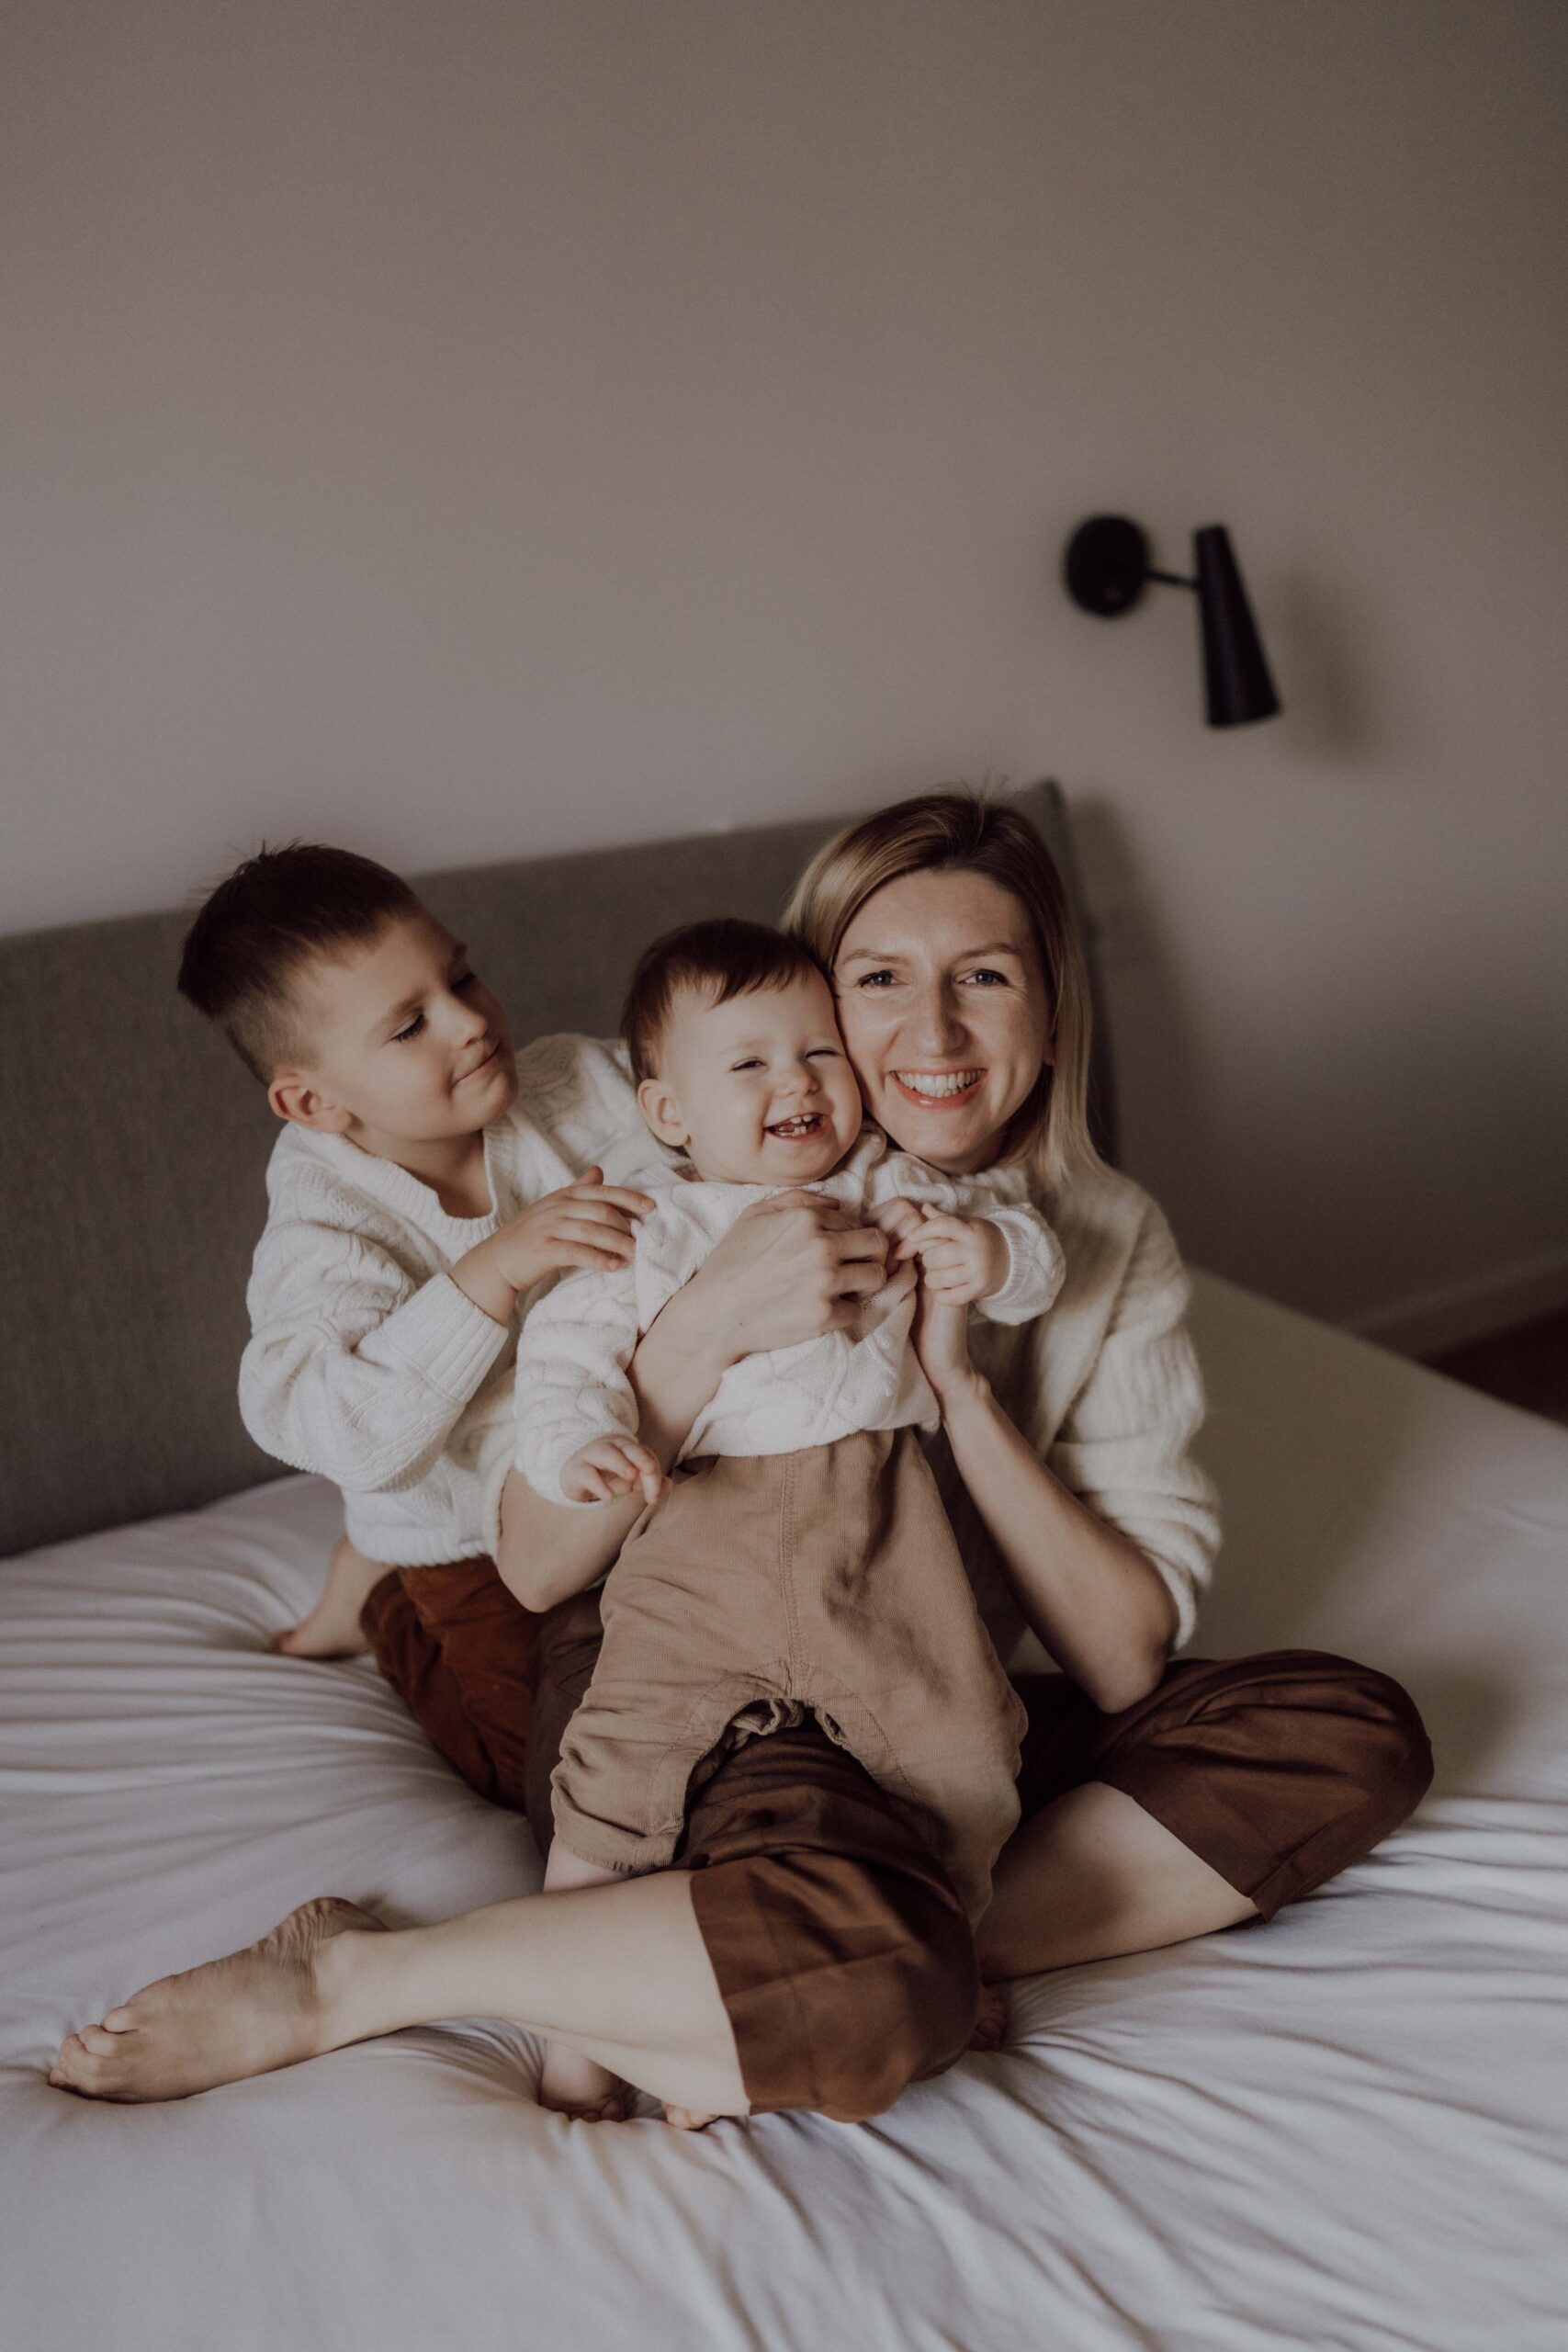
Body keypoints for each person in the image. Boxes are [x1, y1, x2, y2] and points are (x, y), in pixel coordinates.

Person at [51, 790, 1433, 2129]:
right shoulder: (691, 1188)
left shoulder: (1089, 1231)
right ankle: (369, 1971)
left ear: (1053, 1007)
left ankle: (891, 1935)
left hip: (930, 1668)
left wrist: (958, 1383)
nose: (930, 1033)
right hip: (719, 1640)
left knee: (1346, 1733)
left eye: (986, 977)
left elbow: (1124, 1660)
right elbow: (533, 1546)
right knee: (855, 1967)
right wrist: (704, 1320)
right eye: (878, 980)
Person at [522, 916, 1064, 2116]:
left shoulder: (886, 1187)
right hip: (698, 1547)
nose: (798, 1082)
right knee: (613, 1777)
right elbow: (561, 1358)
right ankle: (572, 2043)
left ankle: (960, 1934)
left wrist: (983, 1252)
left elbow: (1031, 1255)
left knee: (967, 1749)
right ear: (669, 1112)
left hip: (879, 1536)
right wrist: (579, 1448)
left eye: (820, 1052)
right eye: (750, 1063)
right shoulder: (648, 1226)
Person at [171, 842, 655, 1799]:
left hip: (588, 1458)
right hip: (456, 1526)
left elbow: (707, 1105)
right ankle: (380, 1596)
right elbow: (335, 1426)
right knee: (527, 1761)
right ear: (313, 1102)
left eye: (461, 977)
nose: (471, 1021)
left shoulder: (580, 1087)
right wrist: (492, 1269)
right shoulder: (326, 1231)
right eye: (409, 1026)